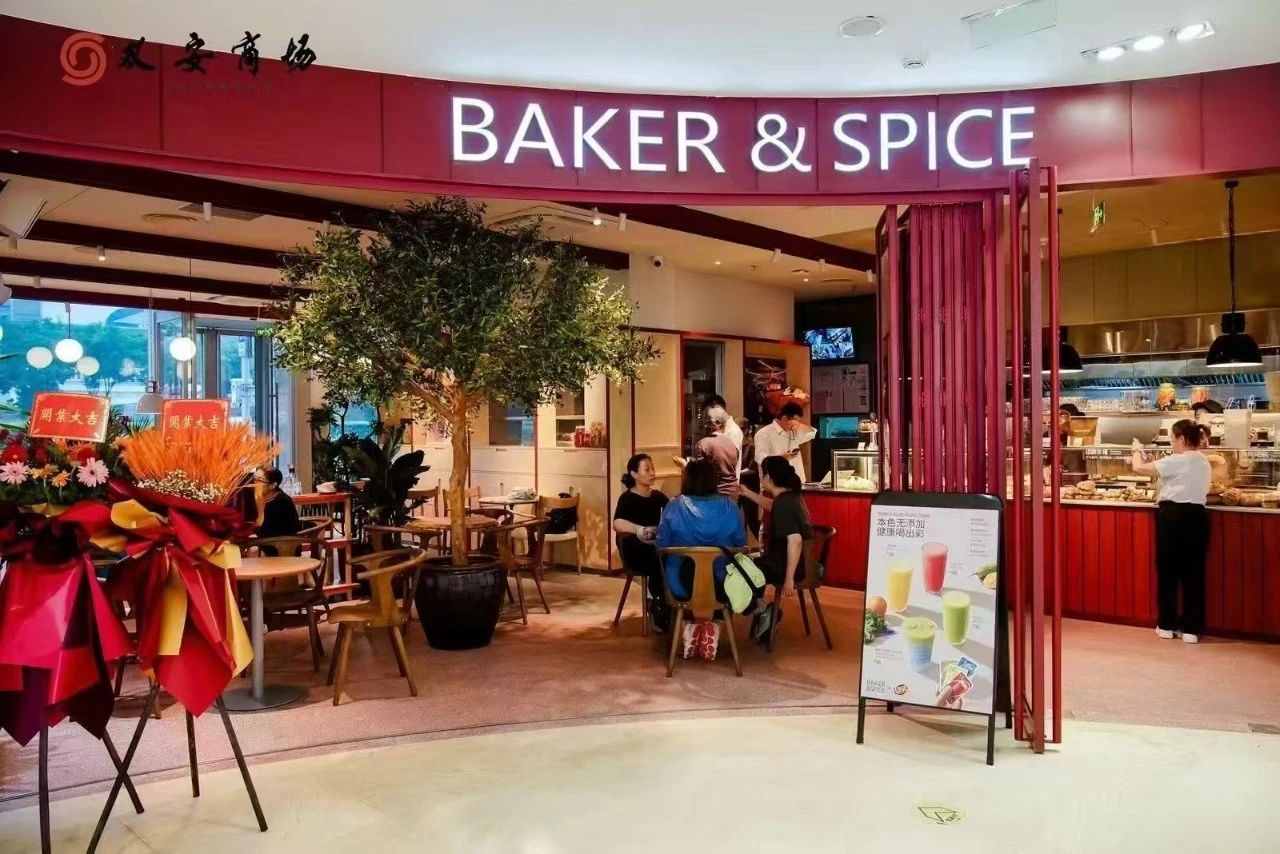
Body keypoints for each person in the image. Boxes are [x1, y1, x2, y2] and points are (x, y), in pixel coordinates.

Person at [1131, 419, 1211, 644]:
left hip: (1172, 517)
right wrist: (1154, 462)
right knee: (1194, 573)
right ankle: (1191, 630)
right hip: (1198, 517)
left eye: (1172, 439)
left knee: (1168, 571)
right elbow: (1171, 474)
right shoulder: (1203, 460)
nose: (1171, 443)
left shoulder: (1177, 460)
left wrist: (1136, 450)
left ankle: (1167, 625)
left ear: (1181, 439)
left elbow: (1138, 468)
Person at [739, 455, 814, 636]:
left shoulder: (784, 504)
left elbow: (795, 541)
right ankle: (762, 611)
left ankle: (762, 610)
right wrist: (747, 493)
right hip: (798, 563)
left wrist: (789, 579)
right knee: (748, 566)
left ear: (768, 477)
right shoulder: (791, 497)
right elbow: (773, 505)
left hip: (785, 566)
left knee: (739, 571)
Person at [655, 458, 747, 605]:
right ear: (713, 480)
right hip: (724, 585)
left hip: (681, 585)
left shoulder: (674, 506)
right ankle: (720, 615)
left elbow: (661, 543)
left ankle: (665, 612)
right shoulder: (731, 507)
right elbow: (741, 544)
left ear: (687, 479)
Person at [612, 453, 670, 615]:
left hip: (656, 547)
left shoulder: (658, 496)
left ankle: (665, 604)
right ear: (634, 474)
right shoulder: (626, 498)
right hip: (635, 551)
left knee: (673, 556)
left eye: (653, 469)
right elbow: (617, 523)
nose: (652, 473)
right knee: (661, 558)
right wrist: (640, 530)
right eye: (647, 469)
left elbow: (673, 514)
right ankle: (659, 603)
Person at [752, 401, 817, 483]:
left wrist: (800, 425)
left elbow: (812, 433)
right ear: (784, 418)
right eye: (794, 421)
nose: (795, 425)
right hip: (775, 484)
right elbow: (760, 458)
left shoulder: (794, 430)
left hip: (797, 482)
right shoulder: (764, 433)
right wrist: (781, 458)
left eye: (798, 422)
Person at [695, 406, 740, 496]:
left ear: (718, 423)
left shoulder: (704, 443)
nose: (705, 426)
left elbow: (697, 473)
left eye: (708, 422)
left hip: (714, 495)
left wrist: (684, 464)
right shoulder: (731, 443)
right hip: (734, 493)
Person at [254, 466, 303, 543]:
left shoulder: (281, 503)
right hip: (268, 541)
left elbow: (265, 532)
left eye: (260, 480)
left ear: (273, 485)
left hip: (281, 546)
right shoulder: (265, 498)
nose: (254, 484)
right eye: (254, 479)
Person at [705, 394, 743, 476]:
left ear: (718, 407)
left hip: (727, 481)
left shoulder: (733, 431)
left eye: (708, 415)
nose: (707, 422)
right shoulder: (723, 428)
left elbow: (729, 462)